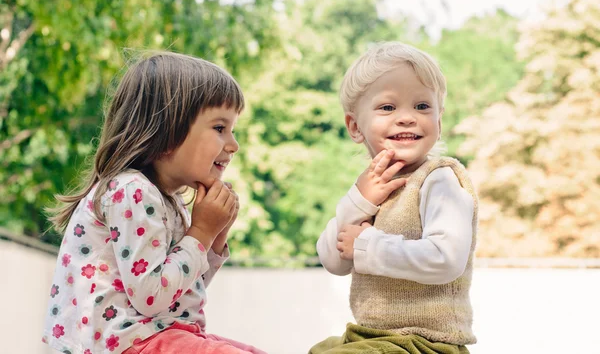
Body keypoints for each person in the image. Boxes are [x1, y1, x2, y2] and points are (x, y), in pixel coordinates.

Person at [42, 52, 267, 354]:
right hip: (124, 344)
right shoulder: (131, 190)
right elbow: (152, 297)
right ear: (168, 133)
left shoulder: (166, 199)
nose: (233, 144)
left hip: (152, 336)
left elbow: (180, 291)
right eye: (219, 128)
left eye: (232, 129)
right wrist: (200, 232)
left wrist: (213, 238)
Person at [310, 42, 478, 354]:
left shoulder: (439, 179)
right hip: (371, 336)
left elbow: (447, 259)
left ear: (439, 122)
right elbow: (333, 260)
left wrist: (367, 244)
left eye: (422, 106)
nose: (406, 118)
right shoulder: (372, 186)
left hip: (427, 342)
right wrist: (359, 200)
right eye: (388, 107)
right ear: (354, 126)